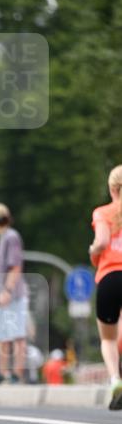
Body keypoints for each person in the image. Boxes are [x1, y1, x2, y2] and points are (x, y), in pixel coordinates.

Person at [89, 164, 122, 410]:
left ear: (112, 188)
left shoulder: (103, 213)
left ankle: (114, 379)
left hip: (110, 277)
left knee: (108, 338)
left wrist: (92, 251)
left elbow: (101, 242)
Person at [0, 202, 28, 384]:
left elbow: (15, 266)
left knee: (17, 335)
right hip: (5, 295)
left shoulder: (11, 237)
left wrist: (7, 291)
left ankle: (17, 374)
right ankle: (3, 373)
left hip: (13, 294)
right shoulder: (4, 237)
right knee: (2, 335)